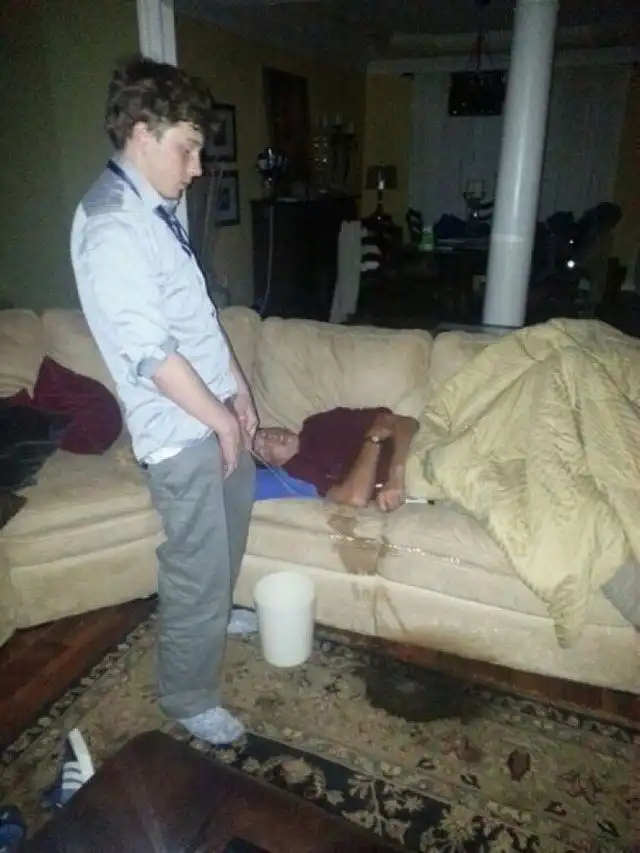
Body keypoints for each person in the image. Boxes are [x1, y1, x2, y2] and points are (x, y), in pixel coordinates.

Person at [70, 56, 257, 747]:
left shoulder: (158, 207)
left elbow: (196, 314)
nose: (198, 168)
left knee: (229, 534)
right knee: (194, 566)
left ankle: (219, 613)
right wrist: (221, 420)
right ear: (142, 133)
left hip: (214, 411)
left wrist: (239, 391)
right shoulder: (111, 226)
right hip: (179, 431)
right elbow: (150, 355)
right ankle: (186, 696)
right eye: (189, 148)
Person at [253, 407, 419, 512]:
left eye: (264, 432)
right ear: (270, 463)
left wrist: (396, 473)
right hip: (416, 483)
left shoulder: (317, 423)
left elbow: (404, 422)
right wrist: (373, 439)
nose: (271, 438)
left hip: (415, 445)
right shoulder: (299, 471)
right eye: (263, 449)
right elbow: (355, 498)